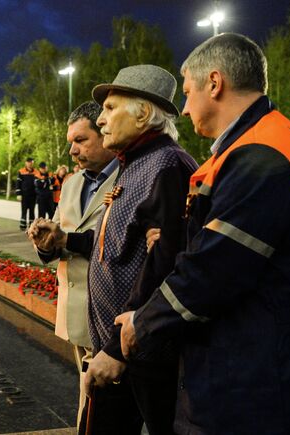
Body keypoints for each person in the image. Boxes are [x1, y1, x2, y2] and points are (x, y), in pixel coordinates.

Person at [115, 33, 290, 435]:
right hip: (261, 365)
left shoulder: (262, 157)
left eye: (188, 93)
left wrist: (144, 322)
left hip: (255, 382)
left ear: (215, 83)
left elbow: (215, 269)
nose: (186, 107)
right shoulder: (261, 145)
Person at [31, 64, 197, 434]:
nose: (101, 120)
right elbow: (121, 244)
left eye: (110, 108)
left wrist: (117, 350)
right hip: (119, 347)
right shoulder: (135, 163)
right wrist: (62, 241)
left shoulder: (167, 165)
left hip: (143, 350)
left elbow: (165, 265)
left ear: (142, 113)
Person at [30, 101, 118, 428]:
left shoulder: (130, 177)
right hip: (76, 313)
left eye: (81, 140)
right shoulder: (71, 184)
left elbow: (120, 241)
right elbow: (59, 237)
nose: (72, 150)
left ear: (105, 133)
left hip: (109, 312)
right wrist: (45, 244)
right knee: (87, 398)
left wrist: (67, 239)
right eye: (71, 142)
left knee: (101, 408)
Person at [16, 157, 37, 230]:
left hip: (33, 195)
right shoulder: (21, 171)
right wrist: (18, 194)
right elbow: (18, 183)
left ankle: (32, 226)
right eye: (28, 162)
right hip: (24, 195)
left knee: (32, 211)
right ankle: (23, 225)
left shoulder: (36, 172)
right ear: (26, 163)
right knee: (24, 210)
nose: (30, 164)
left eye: (31, 162)